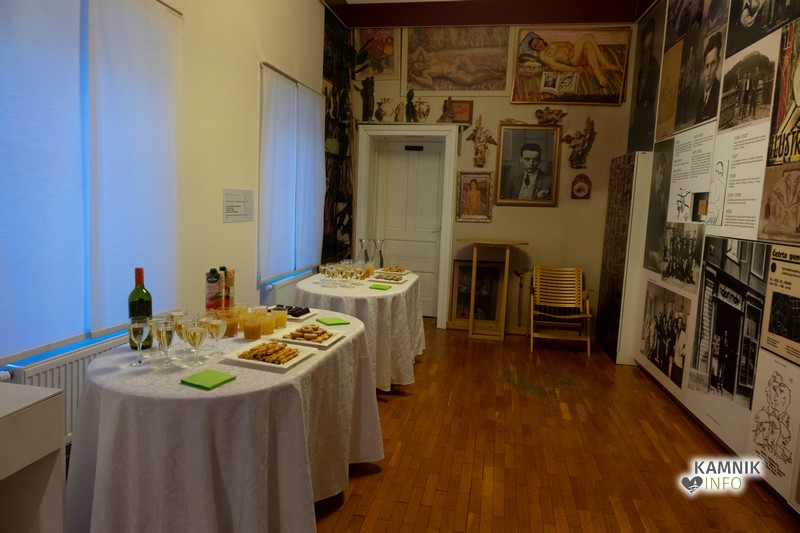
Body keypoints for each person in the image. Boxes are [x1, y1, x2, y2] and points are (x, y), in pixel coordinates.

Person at [527, 32, 621, 88]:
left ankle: (600, 71)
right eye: (535, 46)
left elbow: (568, 43)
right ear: (535, 49)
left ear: (541, 40)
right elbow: (556, 66)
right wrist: (575, 69)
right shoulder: (543, 55)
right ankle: (603, 68)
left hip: (577, 55)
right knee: (588, 36)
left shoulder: (553, 43)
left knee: (588, 45)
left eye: (538, 41)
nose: (538, 45)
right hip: (572, 61)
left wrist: (571, 49)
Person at [408, 46, 505, 89]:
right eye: (418, 67)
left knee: (473, 69)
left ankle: (495, 68)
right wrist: (414, 77)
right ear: (419, 71)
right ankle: (494, 75)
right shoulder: (425, 73)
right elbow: (429, 84)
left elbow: (420, 48)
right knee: (470, 80)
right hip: (453, 74)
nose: (420, 65)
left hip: (457, 62)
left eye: (418, 63)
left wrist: (411, 63)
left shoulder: (427, 60)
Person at [645, 152, 669, 272]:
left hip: (655, 252)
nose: (662, 178)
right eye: (660, 173)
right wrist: (651, 253)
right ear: (655, 174)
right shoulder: (649, 198)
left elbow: (659, 232)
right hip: (648, 254)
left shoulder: (661, 198)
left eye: (664, 173)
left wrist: (663, 248)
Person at [696, 31, 722, 122]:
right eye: (707, 66)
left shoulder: (719, 94)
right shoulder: (700, 102)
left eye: (713, 64)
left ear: (718, 62)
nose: (708, 73)